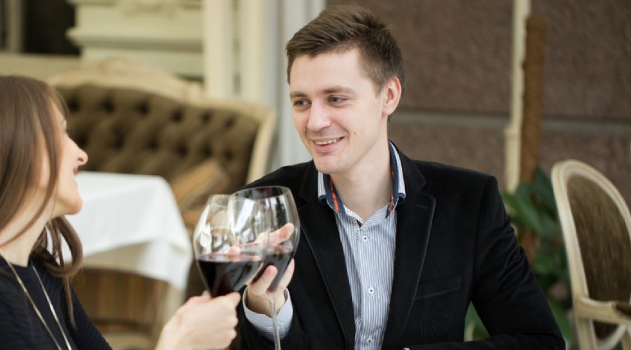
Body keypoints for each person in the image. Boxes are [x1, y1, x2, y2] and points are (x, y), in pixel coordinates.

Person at [237, 4, 564, 349]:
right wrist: (266, 310)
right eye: (301, 102)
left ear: (389, 96)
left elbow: (540, 341)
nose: (315, 122)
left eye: (336, 98)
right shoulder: (261, 207)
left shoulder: (468, 203)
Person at [0, 75, 241, 350]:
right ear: (10, 151)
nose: (81, 155)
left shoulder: (39, 270)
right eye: (60, 134)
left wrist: (185, 328)